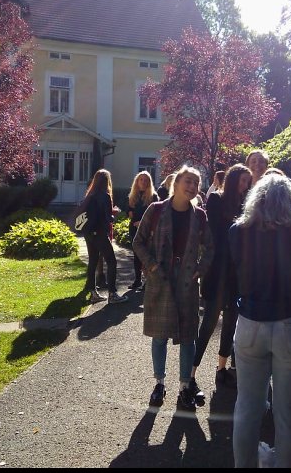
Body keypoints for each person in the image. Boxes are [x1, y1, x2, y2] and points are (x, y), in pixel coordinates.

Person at [229, 173, 291, 468]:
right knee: (289, 413)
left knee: (246, 407)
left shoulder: (238, 232)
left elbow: (232, 273)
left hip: (250, 323)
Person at [132, 165, 215, 412]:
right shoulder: (156, 210)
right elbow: (138, 242)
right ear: (176, 183)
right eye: (188, 181)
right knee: (159, 336)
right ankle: (159, 383)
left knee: (188, 336)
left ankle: (184, 387)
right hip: (161, 278)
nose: (192, 187)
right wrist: (151, 266)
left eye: (196, 183)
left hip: (187, 281)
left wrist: (201, 269)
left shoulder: (199, 215)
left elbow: (210, 247)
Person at [191, 163, 252, 391]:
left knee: (231, 322)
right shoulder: (216, 199)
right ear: (233, 178)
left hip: (237, 272)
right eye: (243, 180)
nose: (245, 185)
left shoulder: (245, 203)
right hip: (218, 270)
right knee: (209, 322)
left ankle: (221, 368)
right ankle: (191, 371)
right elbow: (217, 234)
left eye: (248, 182)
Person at [78, 169, 128, 305]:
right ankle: (112, 294)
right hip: (100, 233)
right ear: (107, 181)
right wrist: (114, 213)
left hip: (88, 232)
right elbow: (107, 218)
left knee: (93, 261)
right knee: (111, 261)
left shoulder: (89, 195)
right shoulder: (105, 196)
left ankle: (93, 293)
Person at [125, 171, 158, 290]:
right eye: (141, 179)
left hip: (147, 230)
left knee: (147, 254)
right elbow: (128, 210)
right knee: (136, 254)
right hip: (134, 228)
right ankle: (137, 280)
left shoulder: (153, 196)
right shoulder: (133, 195)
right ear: (137, 182)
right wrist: (129, 213)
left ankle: (148, 281)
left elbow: (156, 214)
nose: (143, 182)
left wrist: (142, 222)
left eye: (146, 180)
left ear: (149, 182)